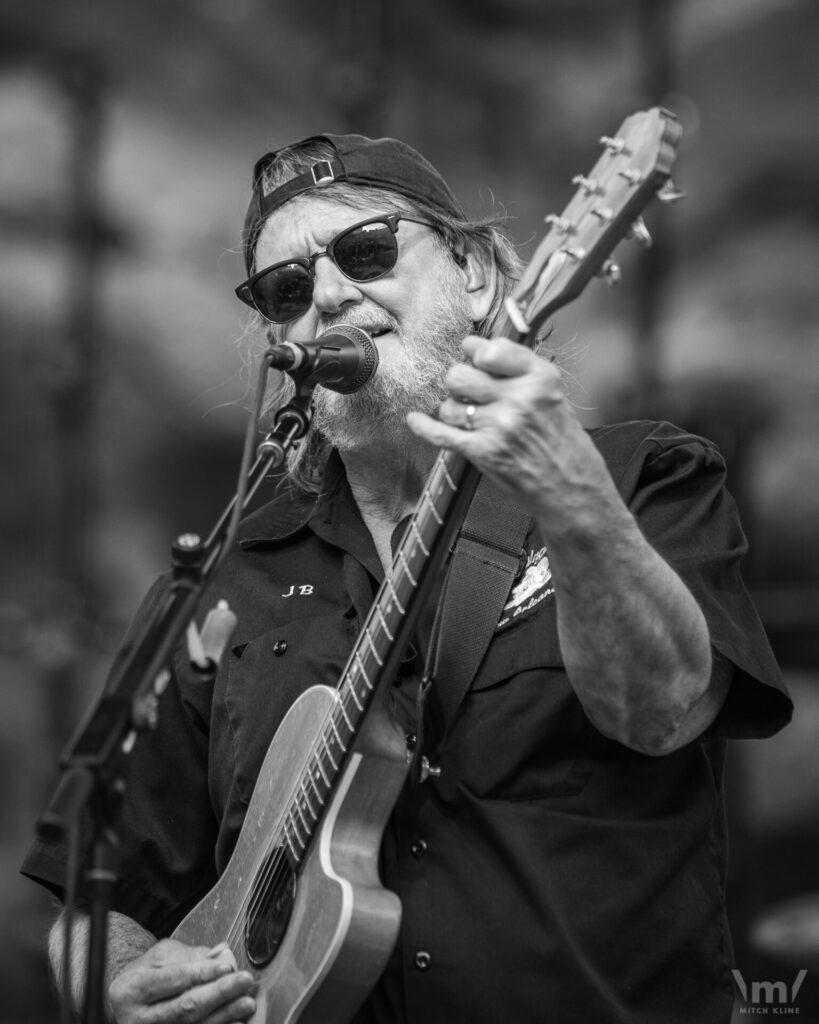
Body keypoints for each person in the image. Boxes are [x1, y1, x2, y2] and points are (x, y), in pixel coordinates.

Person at [23, 132, 791, 1024]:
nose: (330, 296)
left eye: (365, 251)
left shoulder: (635, 481)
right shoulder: (232, 571)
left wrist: (574, 501)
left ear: (470, 268)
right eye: (288, 290)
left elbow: (661, 712)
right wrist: (113, 982)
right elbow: (92, 888)